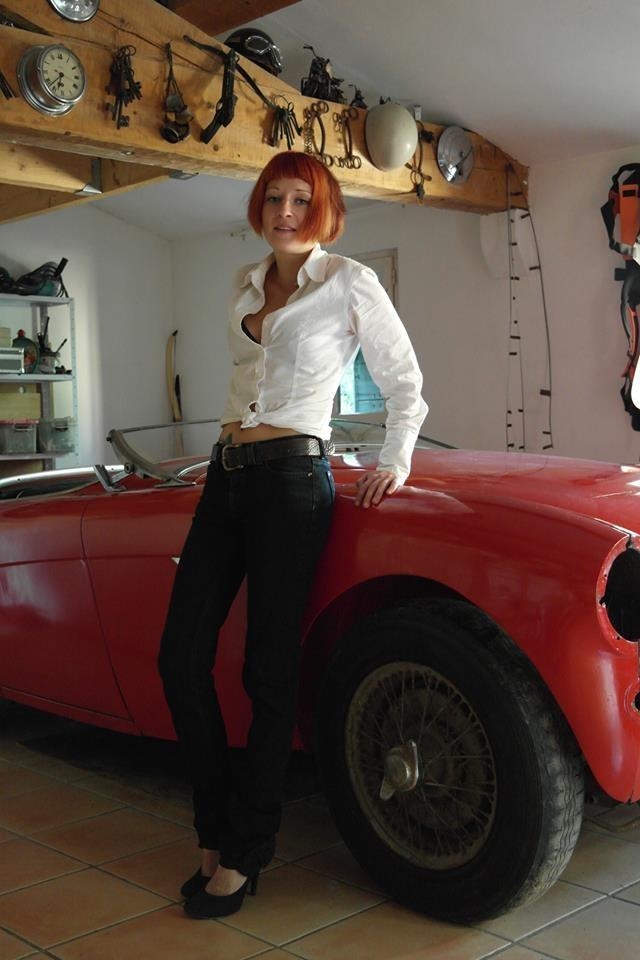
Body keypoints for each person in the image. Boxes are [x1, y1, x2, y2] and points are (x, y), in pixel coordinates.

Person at [158, 150, 427, 921]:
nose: (284, 211)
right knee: (180, 658)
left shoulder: (349, 281)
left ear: (324, 209)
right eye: (273, 197)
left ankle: (246, 852)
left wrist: (394, 460)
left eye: (300, 200)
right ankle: (213, 830)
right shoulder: (244, 283)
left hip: (292, 482)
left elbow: (404, 382)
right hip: (226, 476)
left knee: (267, 671)